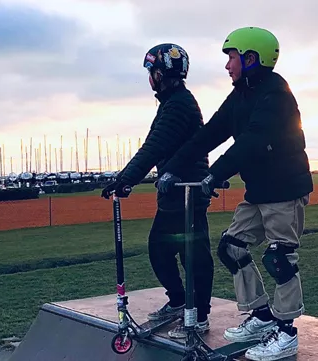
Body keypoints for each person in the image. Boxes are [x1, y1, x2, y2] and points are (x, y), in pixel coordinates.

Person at [156, 27, 313, 361]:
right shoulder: (240, 95)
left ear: (251, 58)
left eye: (232, 57)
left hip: (285, 190)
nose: (228, 65)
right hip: (259, 192)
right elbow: (209, 134)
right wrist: (172, 166)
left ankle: (286, 333)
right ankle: (261, 315)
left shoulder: (276, 94)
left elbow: (251, 142)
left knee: (280, 258)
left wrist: (215, 174)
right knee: (231, 247)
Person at [101, 43, 215, 339]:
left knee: (194, 255)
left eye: (151, 72)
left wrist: (126, 179)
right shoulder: (173, 102)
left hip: (187, 193)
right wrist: (126, 178)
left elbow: (155, 146)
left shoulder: (179, 105)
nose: (149, 77)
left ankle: (199, 315)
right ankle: (179, 301)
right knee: (161, 248)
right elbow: (156, 146)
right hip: (174, 192)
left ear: (160, 75)